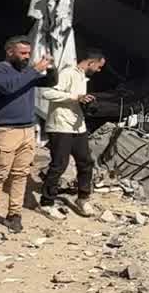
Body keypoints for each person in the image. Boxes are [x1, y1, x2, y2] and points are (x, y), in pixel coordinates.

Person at [0, 38, 56, 233]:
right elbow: (10, 87)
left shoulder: (26, 71)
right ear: (9, 51)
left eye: (28, 53)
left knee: (21, 174)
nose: (26, 57)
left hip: (27, 129)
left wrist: (51, 67)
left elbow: (49, 81)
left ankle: (14, 214)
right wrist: (35, 70)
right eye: (22, 53)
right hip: (5, 130)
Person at [38, 49, 105, 216]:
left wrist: (85, 101)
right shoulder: (67, 73)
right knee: (59, 164)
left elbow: (78, 98)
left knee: (86, 162)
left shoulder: (83, 77)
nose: (99, 70)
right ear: (91, 62)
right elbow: (47, 93)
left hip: (78, 126)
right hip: (61, 126)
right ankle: (47, 202)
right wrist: (75, 97)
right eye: (99, 66)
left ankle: (83, 198)